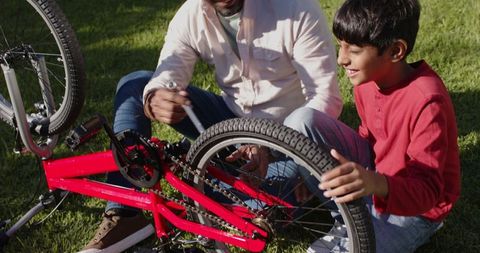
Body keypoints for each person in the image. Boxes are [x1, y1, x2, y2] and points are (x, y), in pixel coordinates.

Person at [80, 0, 375, 252]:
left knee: (231, 205)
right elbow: (168, 73)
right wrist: (157, 97)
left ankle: (223, 176)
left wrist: (275, 149)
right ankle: (123, 213)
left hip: (288, 141)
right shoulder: (191, 14)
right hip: (228, 121)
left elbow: (325, 96)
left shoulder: (297, 8)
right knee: (136, 83)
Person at [307, 0, 461, 252]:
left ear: (395, 51)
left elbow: (429, 191)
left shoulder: (427, 101)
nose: (341, 59)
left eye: (353, 50)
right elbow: (368, 135)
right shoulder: (368, 81)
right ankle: (349, 216)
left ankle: (360, 222)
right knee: (303, 120)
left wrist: (375, 183)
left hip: (417, 210)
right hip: (374, 180)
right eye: (340, 46)